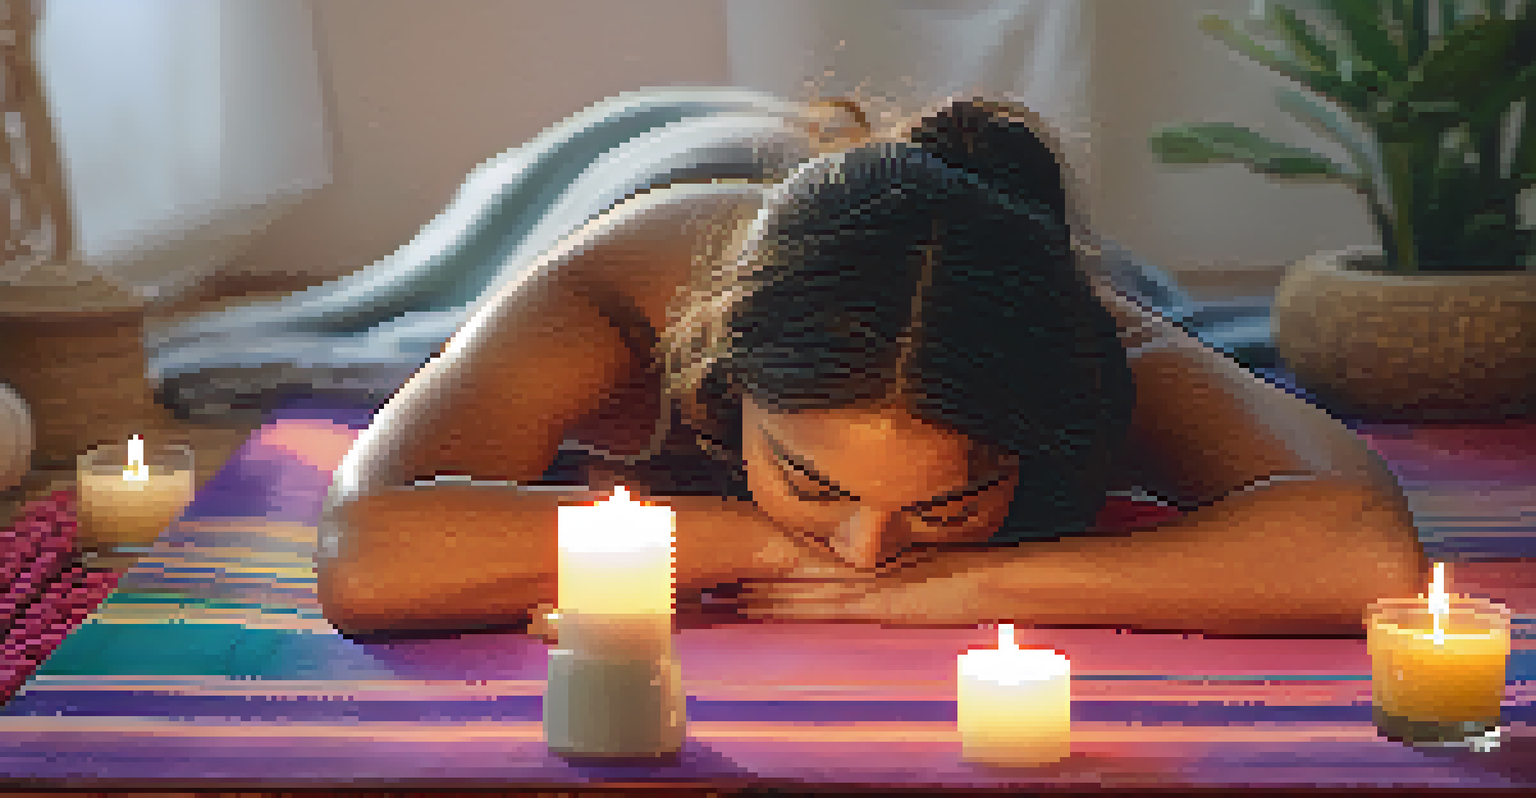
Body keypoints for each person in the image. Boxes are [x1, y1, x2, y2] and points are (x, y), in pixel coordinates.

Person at [315, 98, 1428, 639]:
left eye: (947, 506)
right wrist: (740, 535)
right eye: (814, 484)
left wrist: (969, 583)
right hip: (701, 160)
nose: (865, 553)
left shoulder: (1079, 348)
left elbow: (1362, 550)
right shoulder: (627, 293)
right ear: (726, 385)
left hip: (986, 224)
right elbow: (365, 557)